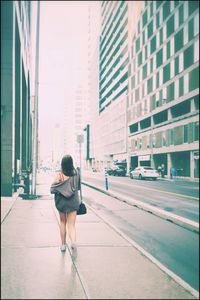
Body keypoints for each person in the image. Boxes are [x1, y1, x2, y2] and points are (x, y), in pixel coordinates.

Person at [51, 155, 81, 254]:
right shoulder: (76, 173)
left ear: (62, 164)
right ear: (71, 163)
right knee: (71, 224)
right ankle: (73, 242)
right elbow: (78, 188)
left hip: (62, 202)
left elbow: (53, 189)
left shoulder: (59, 175)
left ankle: (63, 244)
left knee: (63, 222)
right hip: (73, 201)